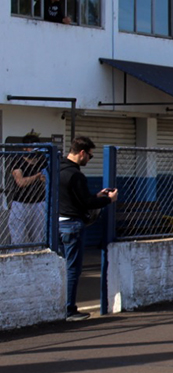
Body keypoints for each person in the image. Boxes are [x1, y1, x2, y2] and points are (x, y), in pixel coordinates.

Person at [59, 135, 118, 321]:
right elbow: (86, 203)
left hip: (56, 225)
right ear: (82, 153)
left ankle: (59, 307)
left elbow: (75, 198)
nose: (89, 160)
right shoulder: (76, 175)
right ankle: (69, 309)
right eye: (90, 156)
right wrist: (108, 199)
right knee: (73, 269)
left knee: (60, 267)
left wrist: (96, 196)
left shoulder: (56, 169)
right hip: (72, 225)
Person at [8, 131, 48, 246]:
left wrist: (43, 177)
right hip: (21, 203)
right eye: (32, 147)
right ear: (25, 148)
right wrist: (36, 176)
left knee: (38, 236)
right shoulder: (18, 161)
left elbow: (46, 179)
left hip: (38, 202)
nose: (35, 150)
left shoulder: (42, 161)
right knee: (18, 237)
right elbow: (20, 182)